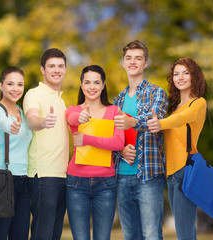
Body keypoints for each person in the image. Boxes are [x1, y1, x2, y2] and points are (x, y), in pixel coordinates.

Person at [113, 40, 168, 240]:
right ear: (123, 63)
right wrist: (119, 151)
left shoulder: (157, 93)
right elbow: (111, 137)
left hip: (149, 176)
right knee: (130, 236)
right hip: (122, 176)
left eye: (138, 58)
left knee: (152, 235)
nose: (133, 62)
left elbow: (157, 118)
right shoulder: (117, 101)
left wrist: (132, 121)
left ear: (146, 63)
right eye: (128, 58)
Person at [147, 57, 207, 240]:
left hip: (185, 170)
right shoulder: (174, 108)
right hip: (171, 172)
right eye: (176, 74)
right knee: (185, 231)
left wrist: (161, 123)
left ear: (194, 76)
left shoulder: (197, 103)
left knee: (184, 233)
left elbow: (182, 119)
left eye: (185, 73)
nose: (180, 77)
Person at [65, 65, 125, 240]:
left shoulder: (114, 111)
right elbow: (72, 118)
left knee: (103, 237)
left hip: (106, 184)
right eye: (87, 82)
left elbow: (118, 143)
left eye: (96, 82)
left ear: (103, 85)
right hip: (76, 183)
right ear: (82, 86)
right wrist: (81, 118)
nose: (92, 87)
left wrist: (87, 139)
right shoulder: (74, 110)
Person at [23, 48, 69, 240]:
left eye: (60, 66)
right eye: (51, 66)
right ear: (43, 69)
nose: (56, 70)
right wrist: (42, 122)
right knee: (42, 234)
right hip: (43, 175)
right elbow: (32, 119)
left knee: (54, 235)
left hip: (62, 175)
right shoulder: (34, 94)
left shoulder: (61, 100)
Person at [0, 67, 32, 240]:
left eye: (20, 84)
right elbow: (3, 123)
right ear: (1, 86)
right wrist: (11, 126)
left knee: (20, 236)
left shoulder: (22, 112)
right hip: (2, 180)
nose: (15, 88)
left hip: (23, 180)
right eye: (10, 84)